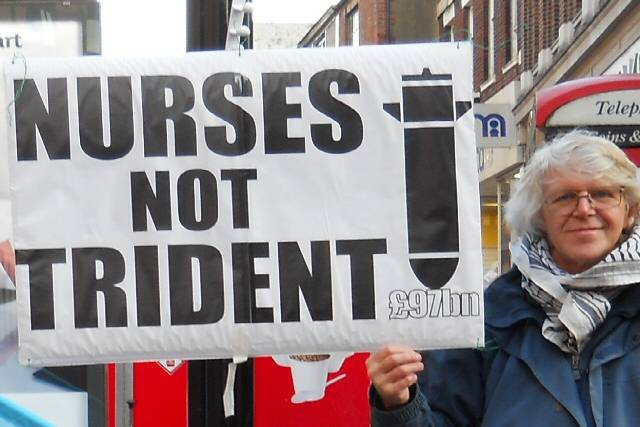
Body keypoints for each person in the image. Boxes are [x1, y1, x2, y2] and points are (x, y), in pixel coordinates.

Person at [367, 130, 640, 426]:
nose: (584, 209)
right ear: (539, 216)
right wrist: (399, 404)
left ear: (629, 211)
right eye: (565, 197)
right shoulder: (483, 320)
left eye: (603, 194)